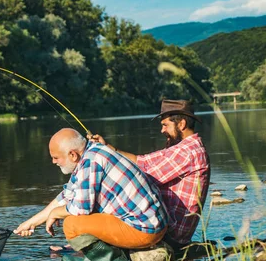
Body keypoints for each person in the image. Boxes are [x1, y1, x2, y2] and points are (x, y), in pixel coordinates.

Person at [13, 128, 168, 261]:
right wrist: (31, 222)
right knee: (75, 216)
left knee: (72, 224)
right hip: (150, 223)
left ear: (72, 155)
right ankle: (113, 254)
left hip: (144, 229)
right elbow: (65, 197)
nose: (53, 162)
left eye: (55, 157)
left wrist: (55, 213)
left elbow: (80, 208)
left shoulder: (91, 162)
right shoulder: (92, 154)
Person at [90, 99, 210, 251]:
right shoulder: (184, 147)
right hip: (168, 229)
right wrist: (107, 147)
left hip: (170, 235)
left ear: (181, 124)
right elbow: (143, 162)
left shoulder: (187, 152)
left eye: (165, 125)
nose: (162, 130)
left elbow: (142, 178)